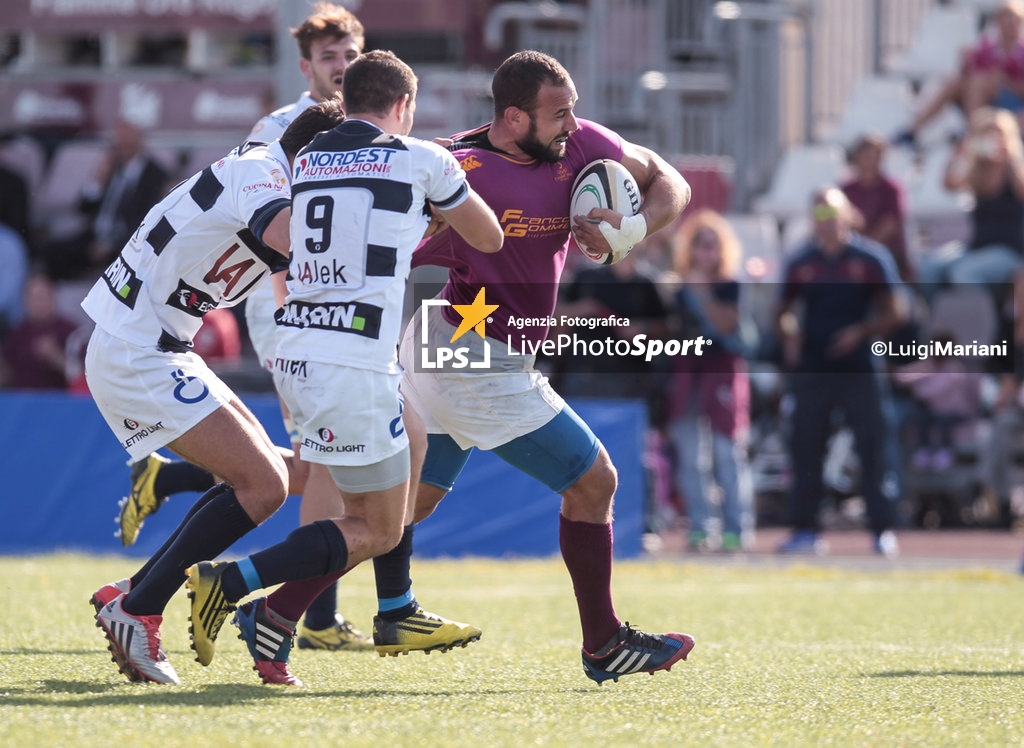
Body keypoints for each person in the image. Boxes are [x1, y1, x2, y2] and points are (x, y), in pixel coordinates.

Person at [182, 50, 503, 686]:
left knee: (409, 438)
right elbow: (489, 237)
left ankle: (291, 623)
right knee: (377, 528)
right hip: (351, 360)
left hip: (301, 349)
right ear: (404, 106)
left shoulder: (305, 160)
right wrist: (438, 205)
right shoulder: (420, 158)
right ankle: (234, 582)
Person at [395, 50, 694, 685]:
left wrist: (633, 227)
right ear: (511, 117)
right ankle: (604, 643)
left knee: (400, 509)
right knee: (594, 483)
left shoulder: (579, 144)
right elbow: (387, 243)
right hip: (468, 352)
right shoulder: (456, 168)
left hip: (450, 345)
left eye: (573, 108)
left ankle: (264, 597)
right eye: (559, 113)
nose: (573, 122)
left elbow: (672, 179)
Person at [115, 2, 376, 652]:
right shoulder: (280, 143)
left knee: (311, 468)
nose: (340, 67)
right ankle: (304, 612)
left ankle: (161, 523)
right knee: (314, 468)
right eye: (329, 58)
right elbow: (286, 238)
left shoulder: (347, 135)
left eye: (349, 56)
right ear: (306, 66)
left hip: (185, 332)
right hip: (284, 314)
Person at [86, 100, 350, 685]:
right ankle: (137, 607)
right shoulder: (262, 170)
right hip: (137, 348)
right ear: (312, 159)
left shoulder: (270, 172)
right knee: (265, 484)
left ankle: (133, 594)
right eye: (343, 169)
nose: (347, 184)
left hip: (158, 344)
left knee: (264, 480)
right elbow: (288, 235)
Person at [775, 186, 906, 557]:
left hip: (859, 365)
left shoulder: (869, 258)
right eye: (819, 215)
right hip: (814, 365)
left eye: (832, 214)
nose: (826, 222)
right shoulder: (802, 262)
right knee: (805, 444)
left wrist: (860, 333)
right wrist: (790, 334)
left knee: (873, 445)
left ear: (847, 215)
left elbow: (897, 311)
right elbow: (781, 310)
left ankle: (882, 529)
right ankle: (805, 530)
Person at [665, 210, 755, 553]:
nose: (706, 251)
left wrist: (700, 291)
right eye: (700, 244)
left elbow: (725, 326)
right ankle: (701, 527)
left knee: (727, 453)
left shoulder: (729, 285)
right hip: (687, 373)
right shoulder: (676, 287)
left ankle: (737, 528)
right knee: (691, 458)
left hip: (722, 371)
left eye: (712, 244)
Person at [40, 117, 169, 281]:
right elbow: (83, 208)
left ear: (140, 140)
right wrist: (98, 181)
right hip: (93, 235)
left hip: (127, 241)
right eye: (119, 141)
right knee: (50, 250)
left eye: (127, 140)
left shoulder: (155, 175)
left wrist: (109, 244)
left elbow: (145, 218)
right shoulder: (110, 168)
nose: (122, 146)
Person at [919, 106, 1024, 296]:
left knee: (963, 273)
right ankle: (938, 321)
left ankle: (986, 323)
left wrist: (1009, 158)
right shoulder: (978, 173)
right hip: (976, 247)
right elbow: (949, 184)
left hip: (1009, 252)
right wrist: (959, 154)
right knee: (930, 268)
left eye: (998, 137)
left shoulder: (1013, 172)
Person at [894, 1, 1024, 147]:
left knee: (979, 82)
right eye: (1005, 20)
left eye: (1014, 21)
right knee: (956, 82)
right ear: (997, 23)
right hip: (984, 99)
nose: (1009, 25)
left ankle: (974, 133)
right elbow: (970, 71)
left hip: (1013, 105)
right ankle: (913, 130)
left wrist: (1004, 82)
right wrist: (966, 63)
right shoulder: (987, 47)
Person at [840, 132, 912, 282]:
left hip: (887, 253)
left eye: (875, 156)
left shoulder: (892, 188)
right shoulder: (846, 189)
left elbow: (892, 224)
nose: (870, 161)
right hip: (851, 252)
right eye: (866, 155)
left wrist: (866, 249)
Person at [0, 272, 80, 390]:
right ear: (25, 301)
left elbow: (83, 376)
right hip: (21, 403)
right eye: (33, 298)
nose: (38, 303)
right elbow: (6, 377)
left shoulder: (70, 331)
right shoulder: (16, 333)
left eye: (42, 297)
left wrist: (56, 357)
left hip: (62, 403)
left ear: (53, 298)